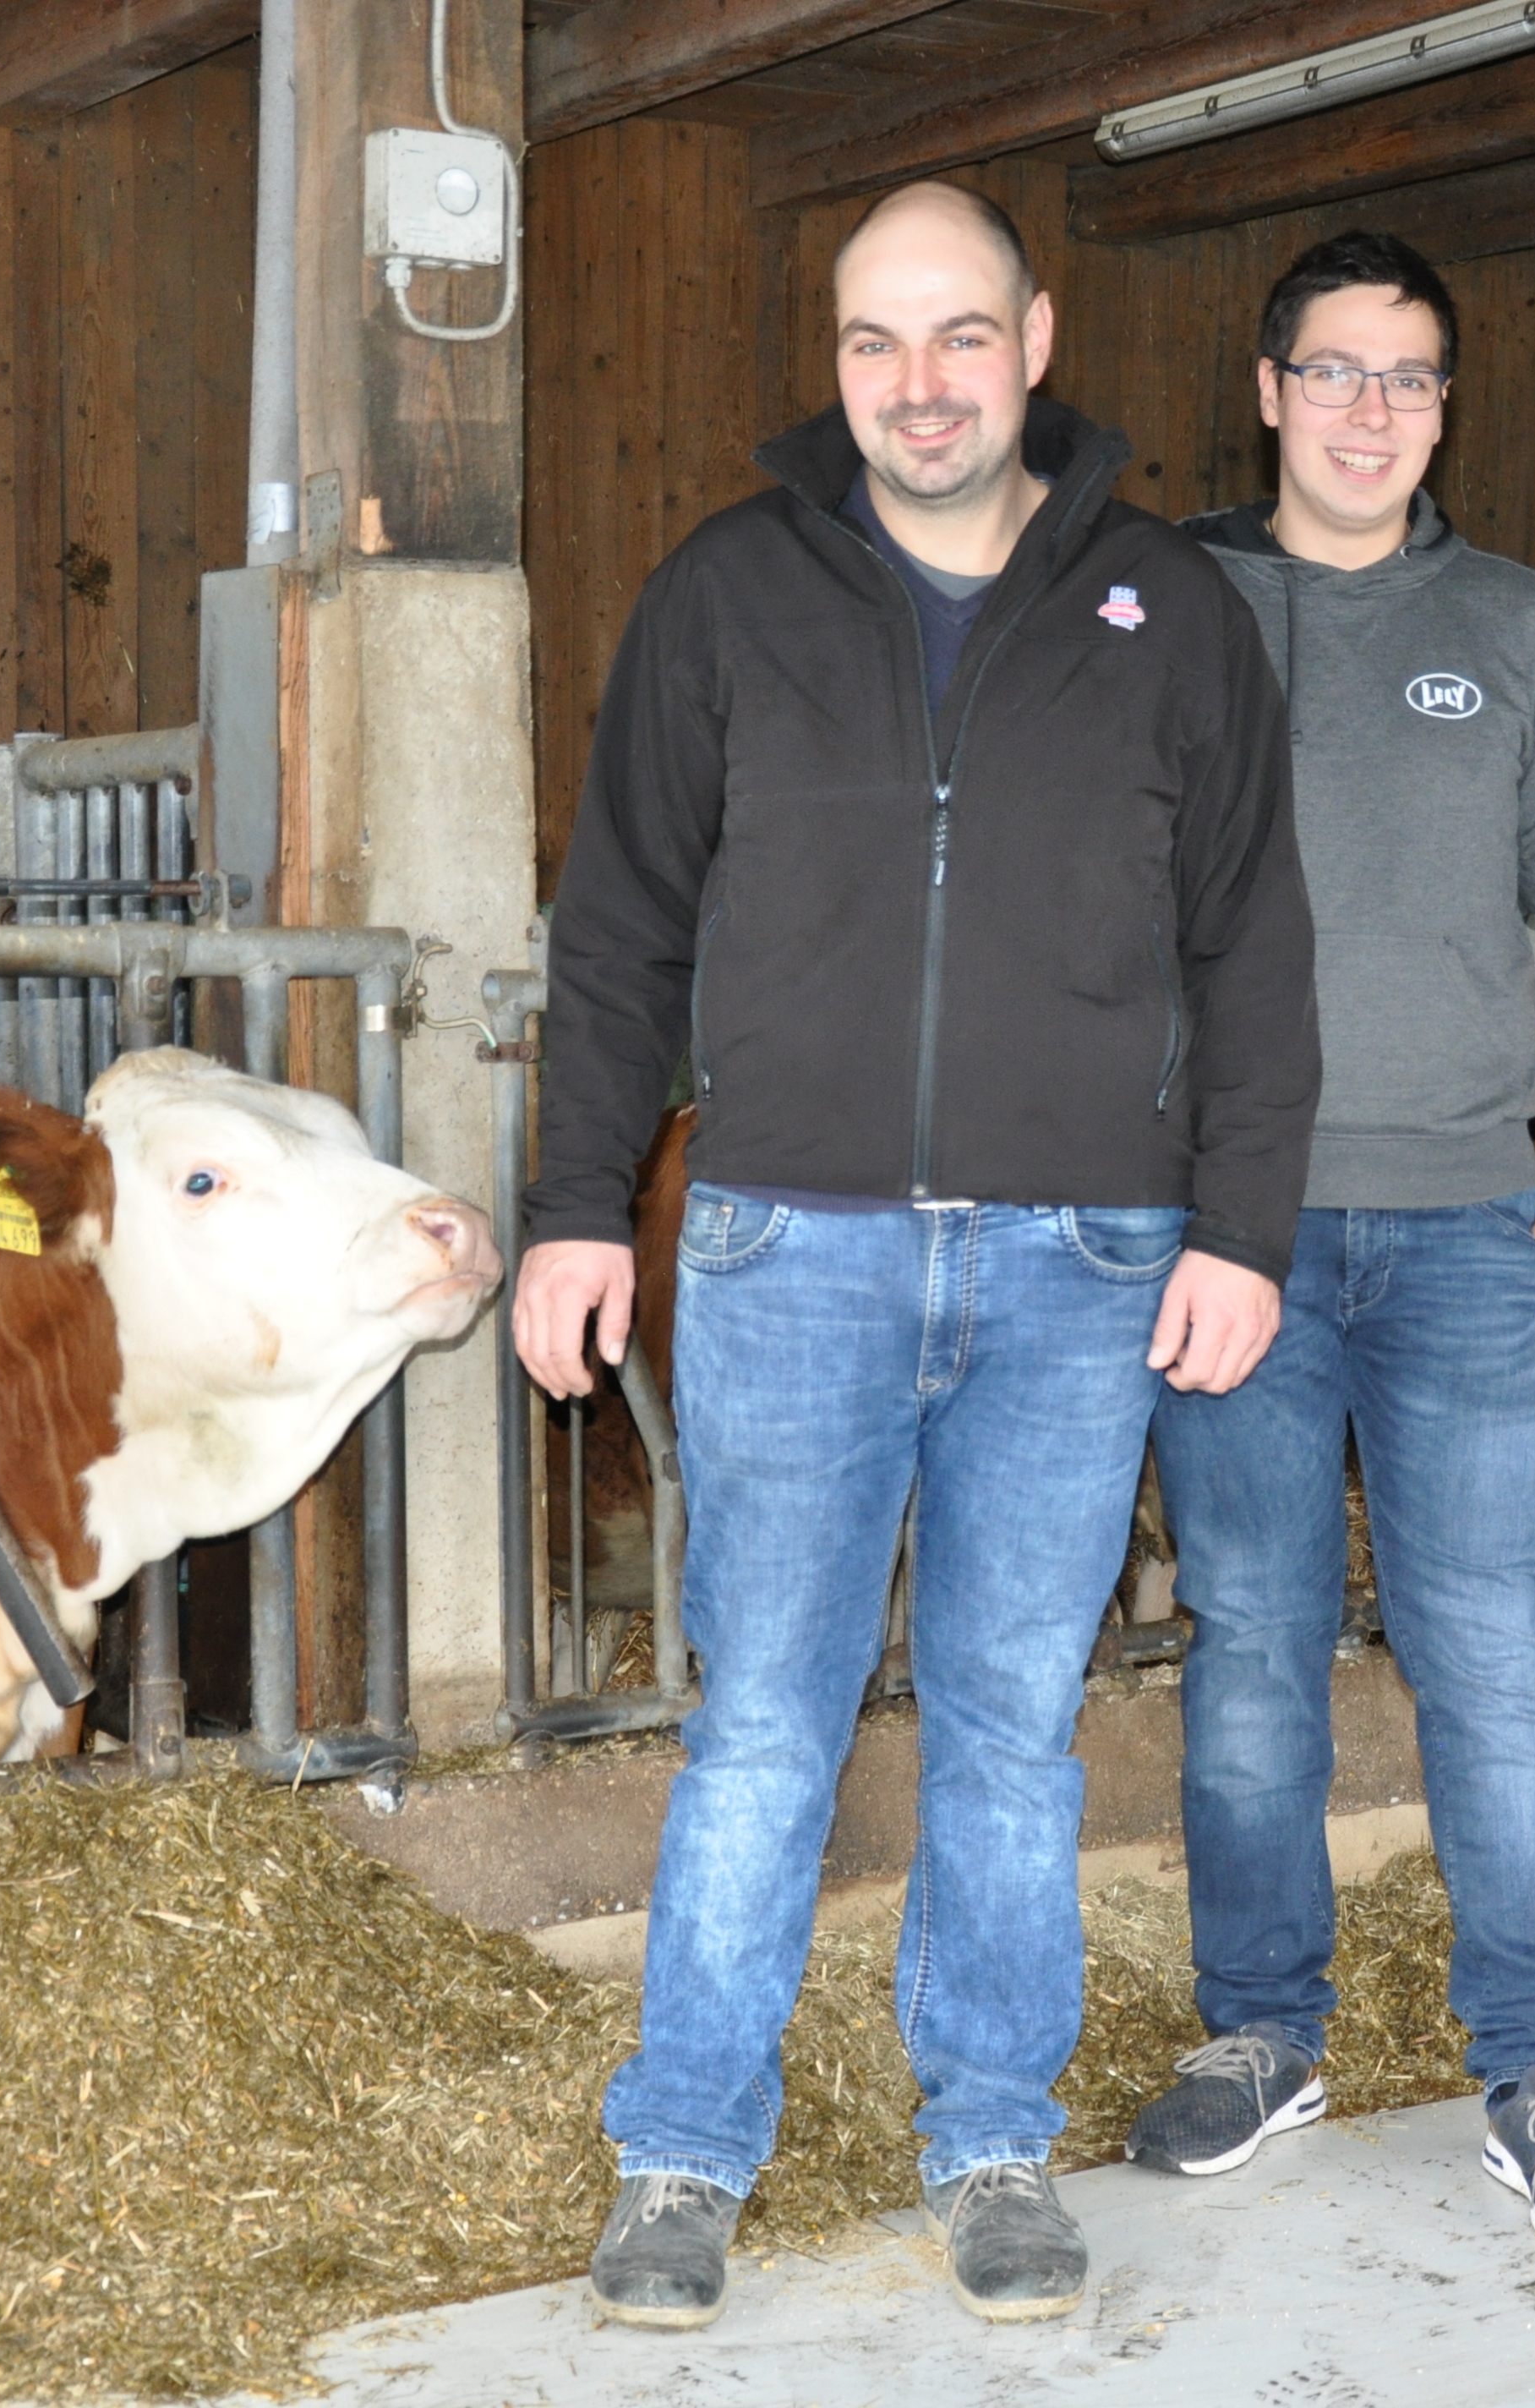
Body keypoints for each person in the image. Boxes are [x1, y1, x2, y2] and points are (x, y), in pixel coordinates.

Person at [516, 181, 1319, 2331]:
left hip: (1080, 1255)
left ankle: (989, 2139)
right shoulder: (725, 594)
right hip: (792, 1246)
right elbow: (616, 933)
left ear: (1033, 338)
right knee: (761, 1722)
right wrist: (578, 1207)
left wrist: (1241, 1223)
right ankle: (684, 2147)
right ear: (838, 361)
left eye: (956, 337)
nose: (918, 385)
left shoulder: (1165, 605)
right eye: (876, 344)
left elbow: (1253, 938)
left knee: (1007, 1725)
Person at [1122, 231, 1535, 2249]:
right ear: (1266, 390)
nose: (1370, 410)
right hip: (1230, 1232)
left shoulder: (1517, 626)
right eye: (1334, 372)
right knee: (1248, 1645)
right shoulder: (1155, 603)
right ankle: (1263, 2027)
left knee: (1482, 1649)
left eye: (1409, 378)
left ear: (1444, 405)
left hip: (1454, 1221)